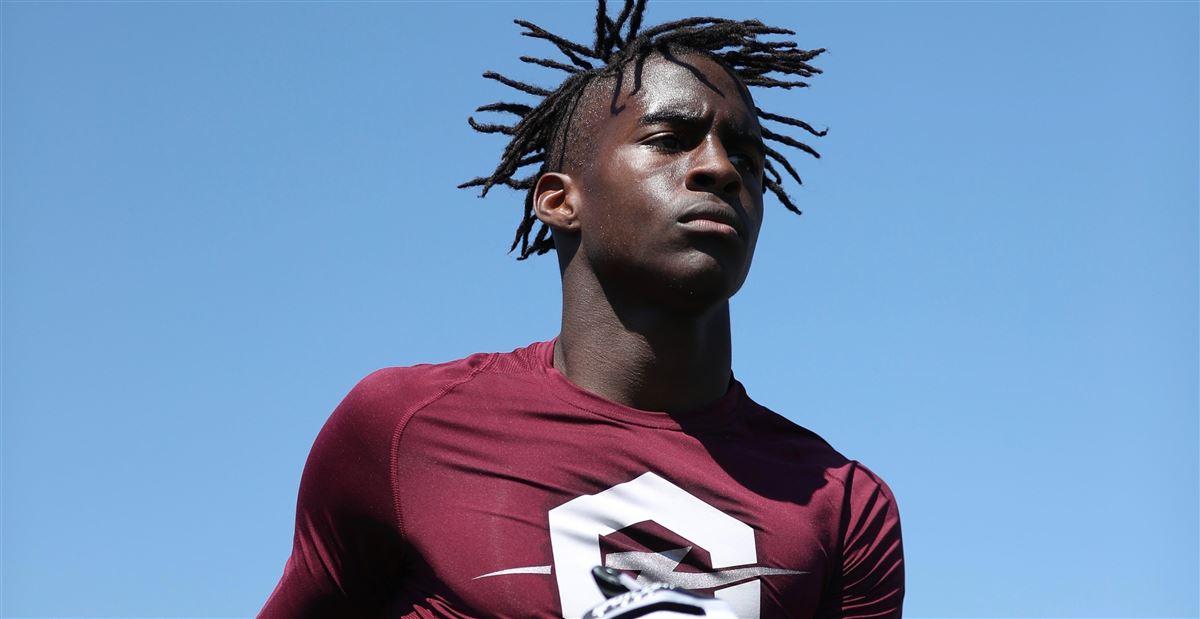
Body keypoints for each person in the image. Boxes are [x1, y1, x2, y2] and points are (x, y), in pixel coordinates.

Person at [260, 1, 904, 617]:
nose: (719, 168)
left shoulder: (841, 503)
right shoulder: (402, 429)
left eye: (745, 156)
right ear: (559, 200)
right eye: (669, 140)